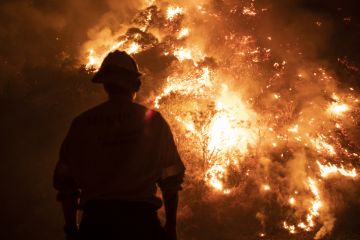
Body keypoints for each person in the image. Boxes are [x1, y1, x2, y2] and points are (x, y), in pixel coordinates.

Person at [53, 50, 185, 240]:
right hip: (141, 224)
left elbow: (66, 184)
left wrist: (71, 228)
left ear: (105, 84)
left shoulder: (82, 124)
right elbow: (171, 178)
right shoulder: (154, 121)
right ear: (135, 84)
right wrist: (171, 226)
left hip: (96, 226)